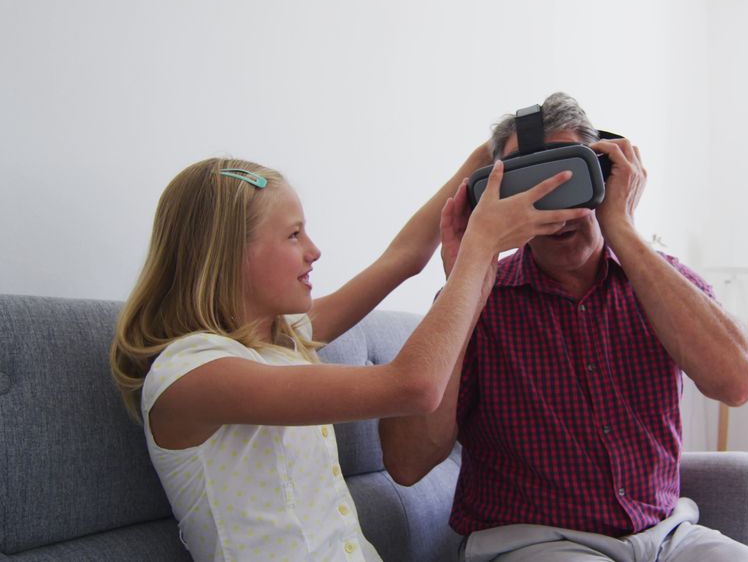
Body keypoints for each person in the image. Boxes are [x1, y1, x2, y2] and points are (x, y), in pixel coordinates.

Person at [109, 152, 589, 561]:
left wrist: (487, 158)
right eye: (294, 235)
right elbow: (415, 386)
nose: (314, 251)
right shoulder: (192, 373)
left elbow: (402, 258)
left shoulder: (282, 341)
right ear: (228, 251)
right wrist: (480, 250)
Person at [379, 92, 748, 561]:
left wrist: (621, 227)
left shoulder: (658, 283)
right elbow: (406, 462)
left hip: (666, 535)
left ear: (604, 178)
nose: (555, 208)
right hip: (534, 539)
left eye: (569, 180)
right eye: (530, 188)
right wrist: (466, 278)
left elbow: (737, 382)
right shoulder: (480, 300)